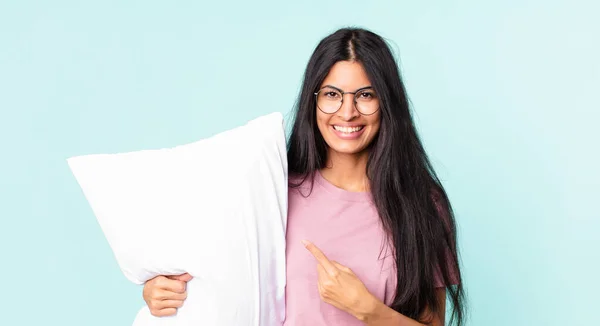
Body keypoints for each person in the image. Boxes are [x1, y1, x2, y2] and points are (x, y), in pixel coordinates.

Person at [141, 27, 466, 325]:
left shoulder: (421, 204)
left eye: (365, 95)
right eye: (332, 94)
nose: (347, 112)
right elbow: (213, 280)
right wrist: (163, 292)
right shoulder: (273, 191)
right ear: (313, 100)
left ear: (387, 103)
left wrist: (368, 309)